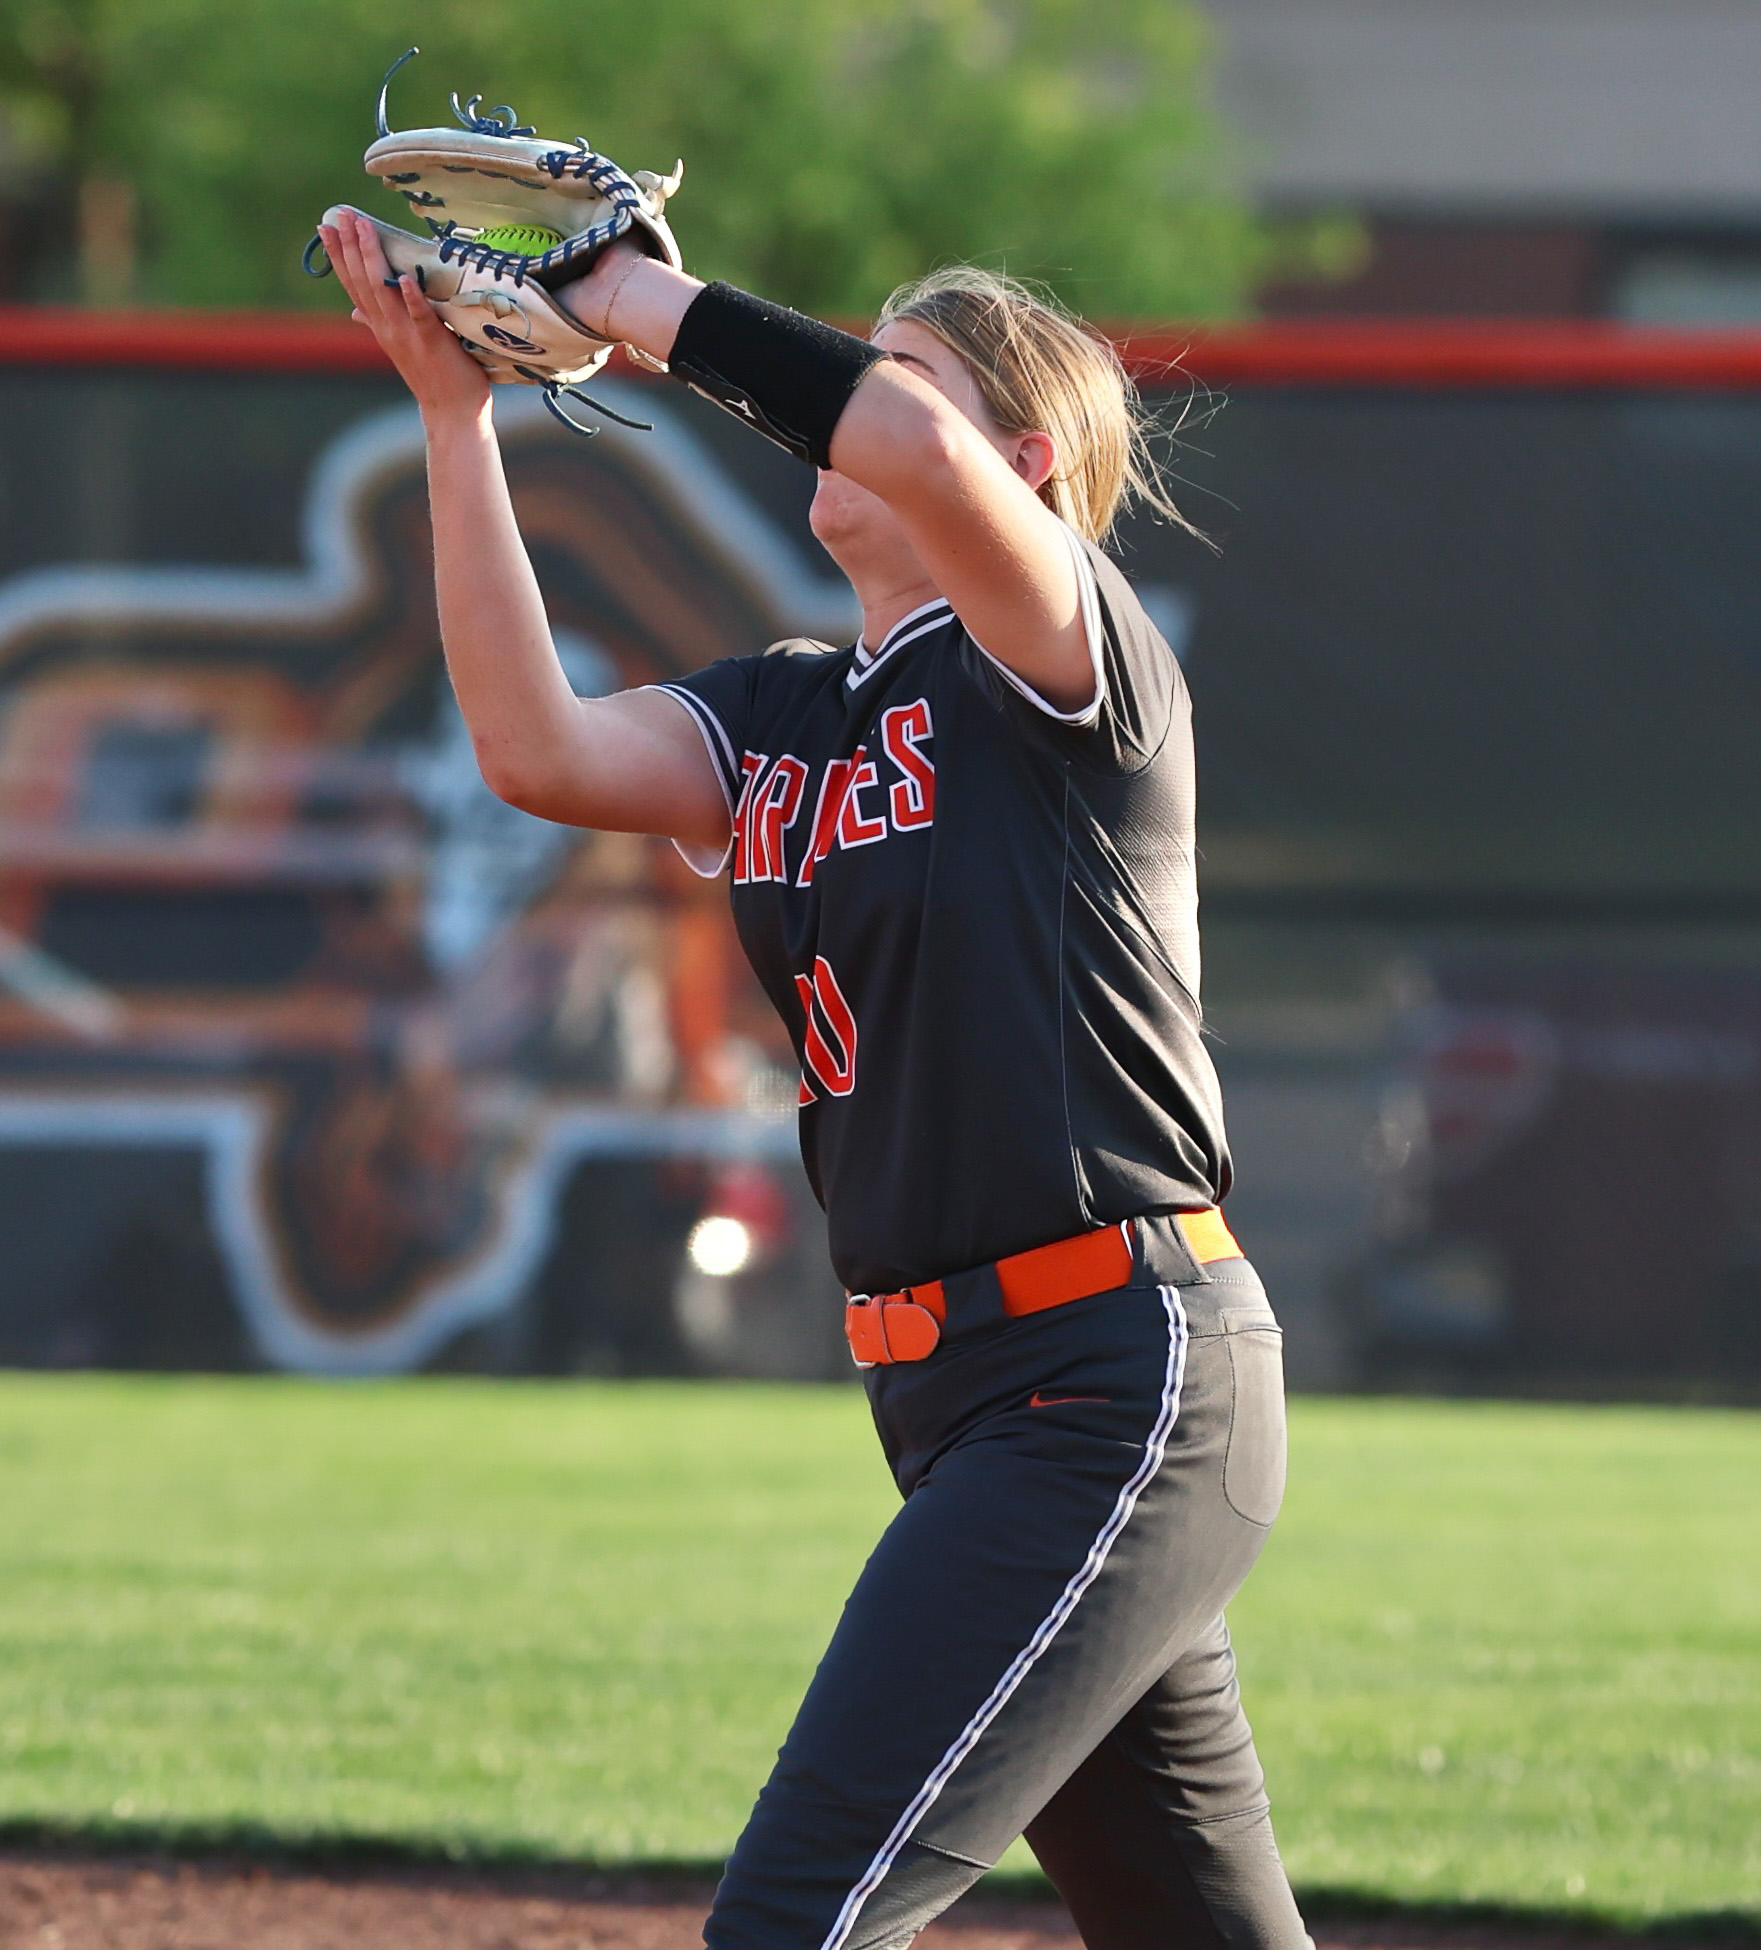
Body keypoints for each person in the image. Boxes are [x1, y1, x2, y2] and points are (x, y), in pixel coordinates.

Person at [319, 205, 1311, 1950]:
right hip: (956, 1395)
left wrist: (629, 295)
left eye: (894, 370)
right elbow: (536, 748)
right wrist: (456, 418)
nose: (858, 401)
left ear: (1019, 466)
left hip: (1113, 1374)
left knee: (795, 1917)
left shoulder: (1063, 667)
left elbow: (910, 445)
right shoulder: (789, 711)